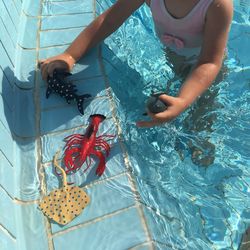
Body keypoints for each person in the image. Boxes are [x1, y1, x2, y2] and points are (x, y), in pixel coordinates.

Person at [39, 0, 233, 128]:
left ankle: (203, 143)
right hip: (173, 54)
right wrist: (70, 56)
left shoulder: (217, 5)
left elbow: (209, 62)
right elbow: (109, 19)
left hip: (204, 66)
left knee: (202, 112)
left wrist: (184, 100)